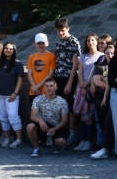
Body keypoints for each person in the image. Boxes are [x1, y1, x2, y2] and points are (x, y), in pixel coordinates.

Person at [0, 42, 25, 149]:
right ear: (3, 50)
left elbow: (19, 80)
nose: (8, 50)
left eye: (11, 49)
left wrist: (15, 93)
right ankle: (7, 137)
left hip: (11, 95)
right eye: (6, 48)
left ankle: (19, 139)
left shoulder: (18, 64)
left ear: (14, 51)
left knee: (13, 116)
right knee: (3, 117)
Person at [54, 18, 81, 146]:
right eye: (59, 31)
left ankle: (72, 133)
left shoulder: (73, 42)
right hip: (58, 77)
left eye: (63, 30)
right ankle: (61, 133)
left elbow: (75, 65)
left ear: (68, 28)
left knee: (71, 107)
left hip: (69, 77)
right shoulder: (59, 43)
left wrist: (70, 83)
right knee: (61, 107)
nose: (61, 33)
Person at [26, 78, 69, 157]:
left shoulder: (62, 101)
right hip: (42, 125)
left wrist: (55, 129)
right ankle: (36, 148)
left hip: (55, 126)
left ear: (56, 87)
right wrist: (40, 121)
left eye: (51, 86)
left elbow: (65, 120)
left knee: (61, 141)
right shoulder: (37, 99)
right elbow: (33, 116)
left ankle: (55, 144)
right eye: (47, 86)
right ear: (44, 88)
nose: (49, 88)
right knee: (30, 127)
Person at [74, 34, 102, 151]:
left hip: (93, 88)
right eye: (88, 41)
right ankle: (83, 140)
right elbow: (80, 72)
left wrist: (88, 84)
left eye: (93, 40)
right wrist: (82, 85)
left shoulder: (101, 56)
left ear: (97, 42)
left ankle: (89, 141)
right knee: (83, 116)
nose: (90, 43)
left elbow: (98, 74)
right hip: (82, 89)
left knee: (91, 116)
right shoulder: (83, 56)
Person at [90, 44, 115, 160]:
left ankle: (112, 147)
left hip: (116, 97)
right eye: (107, 53)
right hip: (101, 97)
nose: (110, 55)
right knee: (103, 121)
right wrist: (112, 85)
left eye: (112, 53)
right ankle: (105, 147)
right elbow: (97, 81)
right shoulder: (100, 66)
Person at [27, 33, 56, 97]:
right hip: (33, 90)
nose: (41, 45)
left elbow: (51, 74)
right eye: (38, 43)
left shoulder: (51, 56)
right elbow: (29, 74)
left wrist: (37, 86)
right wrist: (35, 87)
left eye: (42, 43)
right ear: (35, 44)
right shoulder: (31, 57)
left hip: (46, 90)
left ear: (47, 43)